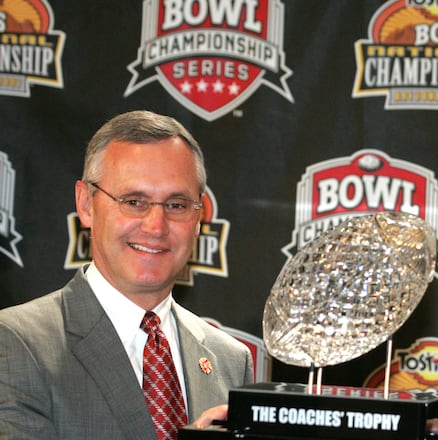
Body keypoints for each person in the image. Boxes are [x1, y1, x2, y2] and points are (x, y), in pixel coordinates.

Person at [0, 111, 254, 439]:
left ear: (199, 216)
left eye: (176, 205)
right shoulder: (17, 344)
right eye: (134, 201)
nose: (155, 226)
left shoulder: (230, 360)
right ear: (86, 204)